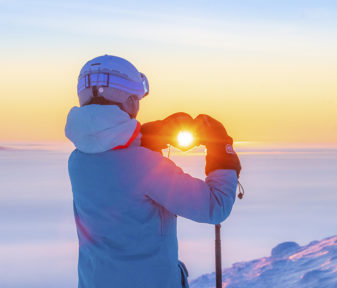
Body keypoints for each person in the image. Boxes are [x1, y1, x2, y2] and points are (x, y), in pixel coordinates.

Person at [65, 55, 241, 288]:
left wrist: (145, 137)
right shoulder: (143, 165)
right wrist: (222, 150)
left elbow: (113, 159)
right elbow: (215, 206)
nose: (137, 106)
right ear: (128, 101)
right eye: (135, 99)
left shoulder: (78, 161)